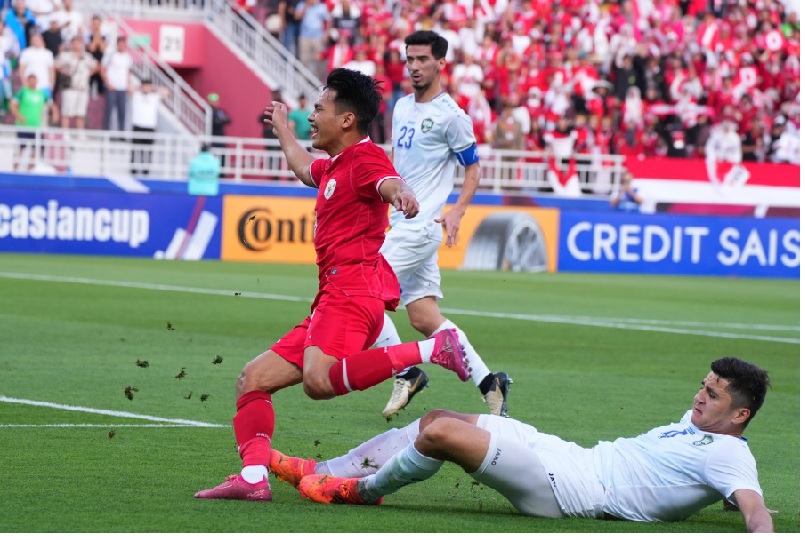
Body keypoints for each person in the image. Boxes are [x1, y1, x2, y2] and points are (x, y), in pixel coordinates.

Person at [194, 67, 471, 502]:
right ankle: (252, 477)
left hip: (353, 292)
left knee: (317, 382)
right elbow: (306, 169)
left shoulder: (365, 159)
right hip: (331, 297)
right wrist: (282, 128)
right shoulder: (337, 165)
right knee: (253, 379)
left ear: (346, 120)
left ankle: (432, 349)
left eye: (319, 108)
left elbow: (387, 181)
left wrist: (401, 194)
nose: (312, 115)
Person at [271, 356, 775, 533]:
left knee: (441, 436)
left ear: (740, 415)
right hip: (570, 455)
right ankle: (326, 466)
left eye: (712, 394)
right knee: (436, 415)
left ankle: (358, 491)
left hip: (574, 492)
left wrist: (758, 522)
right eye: (703, 386)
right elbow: (723, 490)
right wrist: (729, 497)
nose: (698, 396)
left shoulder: (729, 453)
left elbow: (753, 509)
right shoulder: (702, 434)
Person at [376, 30, 512, 421]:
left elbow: (473, 168)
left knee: (364, 297)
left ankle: (407, 372)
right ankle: (491, 383)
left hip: (420, 227)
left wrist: (458, 210)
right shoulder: (401, 107)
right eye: (410, 59)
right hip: (400, 222)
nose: (414, 66)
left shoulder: (452, 116)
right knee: (422, 317)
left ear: (440, 63)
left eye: (422, 60)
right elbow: (398, 165)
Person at [10, 71, 57, 170]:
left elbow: (51, 104)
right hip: (23, 126)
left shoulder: (41, 93)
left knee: (38, 148)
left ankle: (30, 169)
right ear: (27, 81)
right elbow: (12, 104)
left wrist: (55, 114)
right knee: (20, 148)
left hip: (36, 126)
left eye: (34, 80)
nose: (32, 82)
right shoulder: (23, 91)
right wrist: (19, 116)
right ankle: (15, 169)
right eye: (30, 81)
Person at [55, 35, 97, 130]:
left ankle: (80, 134)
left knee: (81, 113)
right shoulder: (65, 55)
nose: (78, 45)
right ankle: (65, 133)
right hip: (70, 87)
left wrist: (89, 73)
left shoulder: (86, 56)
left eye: (79, 43)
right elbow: (56, 65)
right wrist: (64, 71)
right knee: (66, 112)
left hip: (82, 88)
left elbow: (96, 66)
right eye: (75, 42)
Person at [130, 78, 169, 176]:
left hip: (150, 127)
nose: (146, 88)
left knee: (148, 150)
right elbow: (129, 88)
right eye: (145, 86)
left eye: (148, 86)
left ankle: (146, 170)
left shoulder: (154, 97)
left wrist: (153, 88)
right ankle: (133, 169)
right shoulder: (137, 95)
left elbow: (166, 92)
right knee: (135, 149)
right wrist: (140, 87)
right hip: (138, 126)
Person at [101, 36, 132, 131]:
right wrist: (107, 83)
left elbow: (128, 72)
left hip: (122, 88)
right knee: (109, 111)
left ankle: (121, 133)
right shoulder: (110, 55)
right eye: (120, 44)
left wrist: (128, 84)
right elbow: (102, 69)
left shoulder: (128, 57)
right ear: (117, 44)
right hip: (112, 87)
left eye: (123, 44)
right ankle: (105, 133)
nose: (122, 46)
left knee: (122, 112)